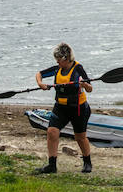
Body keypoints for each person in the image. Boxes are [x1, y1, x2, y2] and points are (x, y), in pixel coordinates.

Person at [34, 42, 93, 174]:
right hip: (60, 107)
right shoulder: (57, 69)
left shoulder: (78, 68)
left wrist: (84, 85)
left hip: (78, 108)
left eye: (59, 60)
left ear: (66, 58)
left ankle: (87, 162)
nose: (57, 62)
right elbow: (39, 74)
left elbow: (90, 88)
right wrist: (40, 83)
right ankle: (52, 165)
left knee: (80, 137)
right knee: (52, 132)